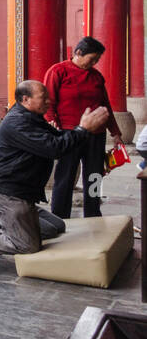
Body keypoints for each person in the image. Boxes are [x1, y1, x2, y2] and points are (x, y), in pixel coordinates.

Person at [0, 80, 110, 254]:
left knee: (56, 227)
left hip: (24, 194)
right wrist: (83, 129)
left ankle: (11, 222)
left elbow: (58, 138)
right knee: (27, 246)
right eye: (43, 98)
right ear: (25, 99)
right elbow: (55, 148)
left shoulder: (32, 117)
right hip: (8, 194)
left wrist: (82, 130)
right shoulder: (17, 122)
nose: (48, 101)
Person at [44, 36, 125, 219]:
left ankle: (93, 211)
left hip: (95, 135)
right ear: (79, 53)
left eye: (97, 60)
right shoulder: (58, 71)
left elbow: (105, 106)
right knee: (66, 175)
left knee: (95, 175)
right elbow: (48, 101)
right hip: (68, 133)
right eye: (92, 58)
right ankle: (60, 214)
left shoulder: (96, 76)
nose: (94, 63)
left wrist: (115, 132)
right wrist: (51, 121)